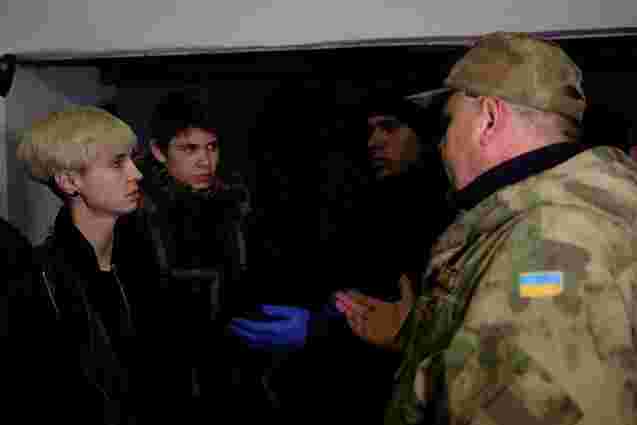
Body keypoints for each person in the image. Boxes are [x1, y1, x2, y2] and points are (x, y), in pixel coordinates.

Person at [337, 32, 637, 424]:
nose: (442, 145)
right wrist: (418, 336)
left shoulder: (549, 243)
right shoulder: (574, 215)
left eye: (448, 124)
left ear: (489, 119)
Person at [229, 93, 453, 422]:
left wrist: (320, 331)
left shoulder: (443, 214)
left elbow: (421, 319)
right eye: (370, 131)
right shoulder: (374, 204)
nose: (374, 141)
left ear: (424, 137)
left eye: (389, 127)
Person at [13, 105, 183, 424]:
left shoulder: (144, 266)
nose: (136, 173)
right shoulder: (36, 279)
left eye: (131, 159)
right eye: (118, 163)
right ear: (69, 181)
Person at [133, 89, 267, 421]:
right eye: (189, 149)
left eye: (212, 147)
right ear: (159, 152)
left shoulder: (237, 206)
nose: (205, 161)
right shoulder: (138, 215)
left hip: (237, 375)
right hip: (165, 383)